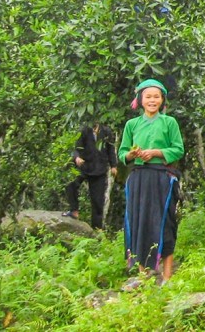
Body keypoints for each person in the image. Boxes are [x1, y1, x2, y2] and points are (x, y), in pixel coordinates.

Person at [118, 79, 184, 285]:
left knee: (165, 222)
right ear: (140, 100)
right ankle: (142, 275)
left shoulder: (169, 122)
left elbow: (178, 149)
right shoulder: (132, 125)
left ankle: (167, 276)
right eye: (148, 96)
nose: (152, 100)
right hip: (138, 179)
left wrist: (156, 152)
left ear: (162, 99)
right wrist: (132, 154)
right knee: (139, 223)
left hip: (162, 178)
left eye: (156, 96)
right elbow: (122, 153)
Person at [63, 119, 118, 230]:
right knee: (71, 184)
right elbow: (76, 147)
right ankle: (74, 211)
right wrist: (77, 157)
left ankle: (97, 229)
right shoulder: (84, 130)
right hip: (84, 166)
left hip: (99, 168)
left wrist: (113, 166)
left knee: (98, 201)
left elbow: (111, 149)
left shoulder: (106, 131)